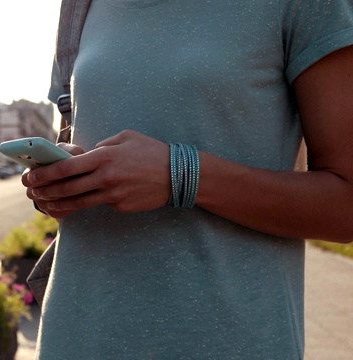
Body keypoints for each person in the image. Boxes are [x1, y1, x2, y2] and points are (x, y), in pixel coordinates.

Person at [21, 1, 353, 359]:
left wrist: (180, 173)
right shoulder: (79, 8)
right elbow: (75, 149)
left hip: (227, 343)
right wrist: (57, 185)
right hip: (73, 339)